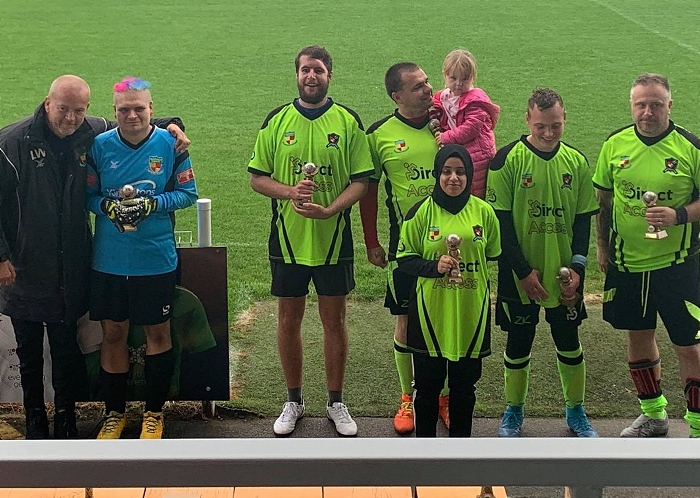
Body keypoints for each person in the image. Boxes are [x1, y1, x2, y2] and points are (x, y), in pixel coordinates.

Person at [0, 75, 188, 439]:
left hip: (73, 263)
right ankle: (37, 422)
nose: (70, 118)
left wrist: (173, 125)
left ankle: (68, 421)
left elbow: (140, 123)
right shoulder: (11, 141)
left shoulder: (90, 131)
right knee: (28, 352)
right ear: (47, 102)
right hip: (26, 264)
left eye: (79, 111)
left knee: (66, 346)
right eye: (64, 109)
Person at [248, 46, 373, 437]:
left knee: (334, 321)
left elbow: (362, 181)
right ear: (297, 75)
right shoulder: (277, 120)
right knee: (288, 319)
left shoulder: (347, 121)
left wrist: (332, 208)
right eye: (305, 70)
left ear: (329, 75)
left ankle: (336, 402)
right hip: (288, 240)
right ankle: (293, 400)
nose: (311, 76)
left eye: (318, 70)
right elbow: (257, 178)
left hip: (334, 239)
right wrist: (289, 192)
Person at [86, 77, 198, 440]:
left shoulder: (172, 143)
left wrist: (152, 204)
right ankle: (114, 414)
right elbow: (87, 197)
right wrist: (107, 207)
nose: (131, 115)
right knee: (113, 333)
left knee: (157, 333)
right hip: (109, 261)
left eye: (138, 108)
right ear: (114, 111)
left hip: (155, 259)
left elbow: (187, 194)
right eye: (123, 110)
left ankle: (154, 413)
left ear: (152, 109)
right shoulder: (99, 146)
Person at [486, 88, 599, 438]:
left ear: (564, 120)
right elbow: (500, 224)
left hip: (563, 277)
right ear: (527, 120)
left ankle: (576, 412)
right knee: (518, 343)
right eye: (540, 126)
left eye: (556, 126)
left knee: (568, 342)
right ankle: (513, 411)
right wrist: (522, 271)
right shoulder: (505, 161)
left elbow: (583, 222)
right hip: (519, 276)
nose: (548, 133)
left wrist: (578, 270)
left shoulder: (577, 162)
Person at [593, 73, 700, 438]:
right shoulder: (615, 144)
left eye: (656, 104)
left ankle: (699, 425)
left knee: (690, 346)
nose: (647, 112)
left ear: (670, 105)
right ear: (631, 105)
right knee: (638, 337)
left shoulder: (690, 148)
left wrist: (679, 215)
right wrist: (603, 248)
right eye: (641, 104)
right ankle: (653, 414)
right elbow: (604, 202)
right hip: (628, 265)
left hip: (679, 265)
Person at [360, 62, 451, 435]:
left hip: (452, 242)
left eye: (428, 82)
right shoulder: (379, 135)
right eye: (418, 86)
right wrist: (371, 241)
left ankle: (442, 396)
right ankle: (407, 398)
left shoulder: (447, 123)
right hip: (407, 248)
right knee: (405, 322)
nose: (428, 90)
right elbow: (367, 191)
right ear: (397, 96)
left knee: (448, 321)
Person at [397, 143, 500, 438]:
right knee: (427, 389)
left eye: (460, 172)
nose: (453, 178)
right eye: (446, 171)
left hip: (471, 312)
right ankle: (425, 457)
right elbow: (404, 259)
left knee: (464, 389)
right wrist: (433, 266)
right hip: (431, 314)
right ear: (437, 174)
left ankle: (460, 456)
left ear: (468, 175)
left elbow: (492, 253)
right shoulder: (420, 213)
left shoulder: (484, 212)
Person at [432, 49, 500, 199]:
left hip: (477, 151)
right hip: (459, 149)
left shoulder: (476, 100)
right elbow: (436, 109)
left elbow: (471, 128)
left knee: (475, 185)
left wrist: (446, 137)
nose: (458, 84)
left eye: (464, 79)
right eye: (453, 78)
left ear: (472, 78)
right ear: (445, 75)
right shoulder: (443, 96)